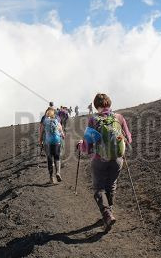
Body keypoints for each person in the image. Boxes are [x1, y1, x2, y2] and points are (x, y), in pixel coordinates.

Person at [77, 93, 132, 231]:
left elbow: (87, 146)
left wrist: (80, 146)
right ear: (109, 104)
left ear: (96, 106)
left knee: (98, 188)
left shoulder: (94, 120)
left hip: (99, 160)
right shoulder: (119, 117)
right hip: (117, 159)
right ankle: (109, 213)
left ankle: (107, 214)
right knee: (111, 185)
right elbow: (129, 139)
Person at [39, 108, 65, 184]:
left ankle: (51, 178)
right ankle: (58, 173)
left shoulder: (44, 120)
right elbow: (61, 131)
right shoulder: (56, 119)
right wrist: (62, 136)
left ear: (47, 113)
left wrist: (40, 140)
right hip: (57, 141)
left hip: (48, 142)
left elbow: (41, 132)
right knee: (57, 157)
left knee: (49, 159)